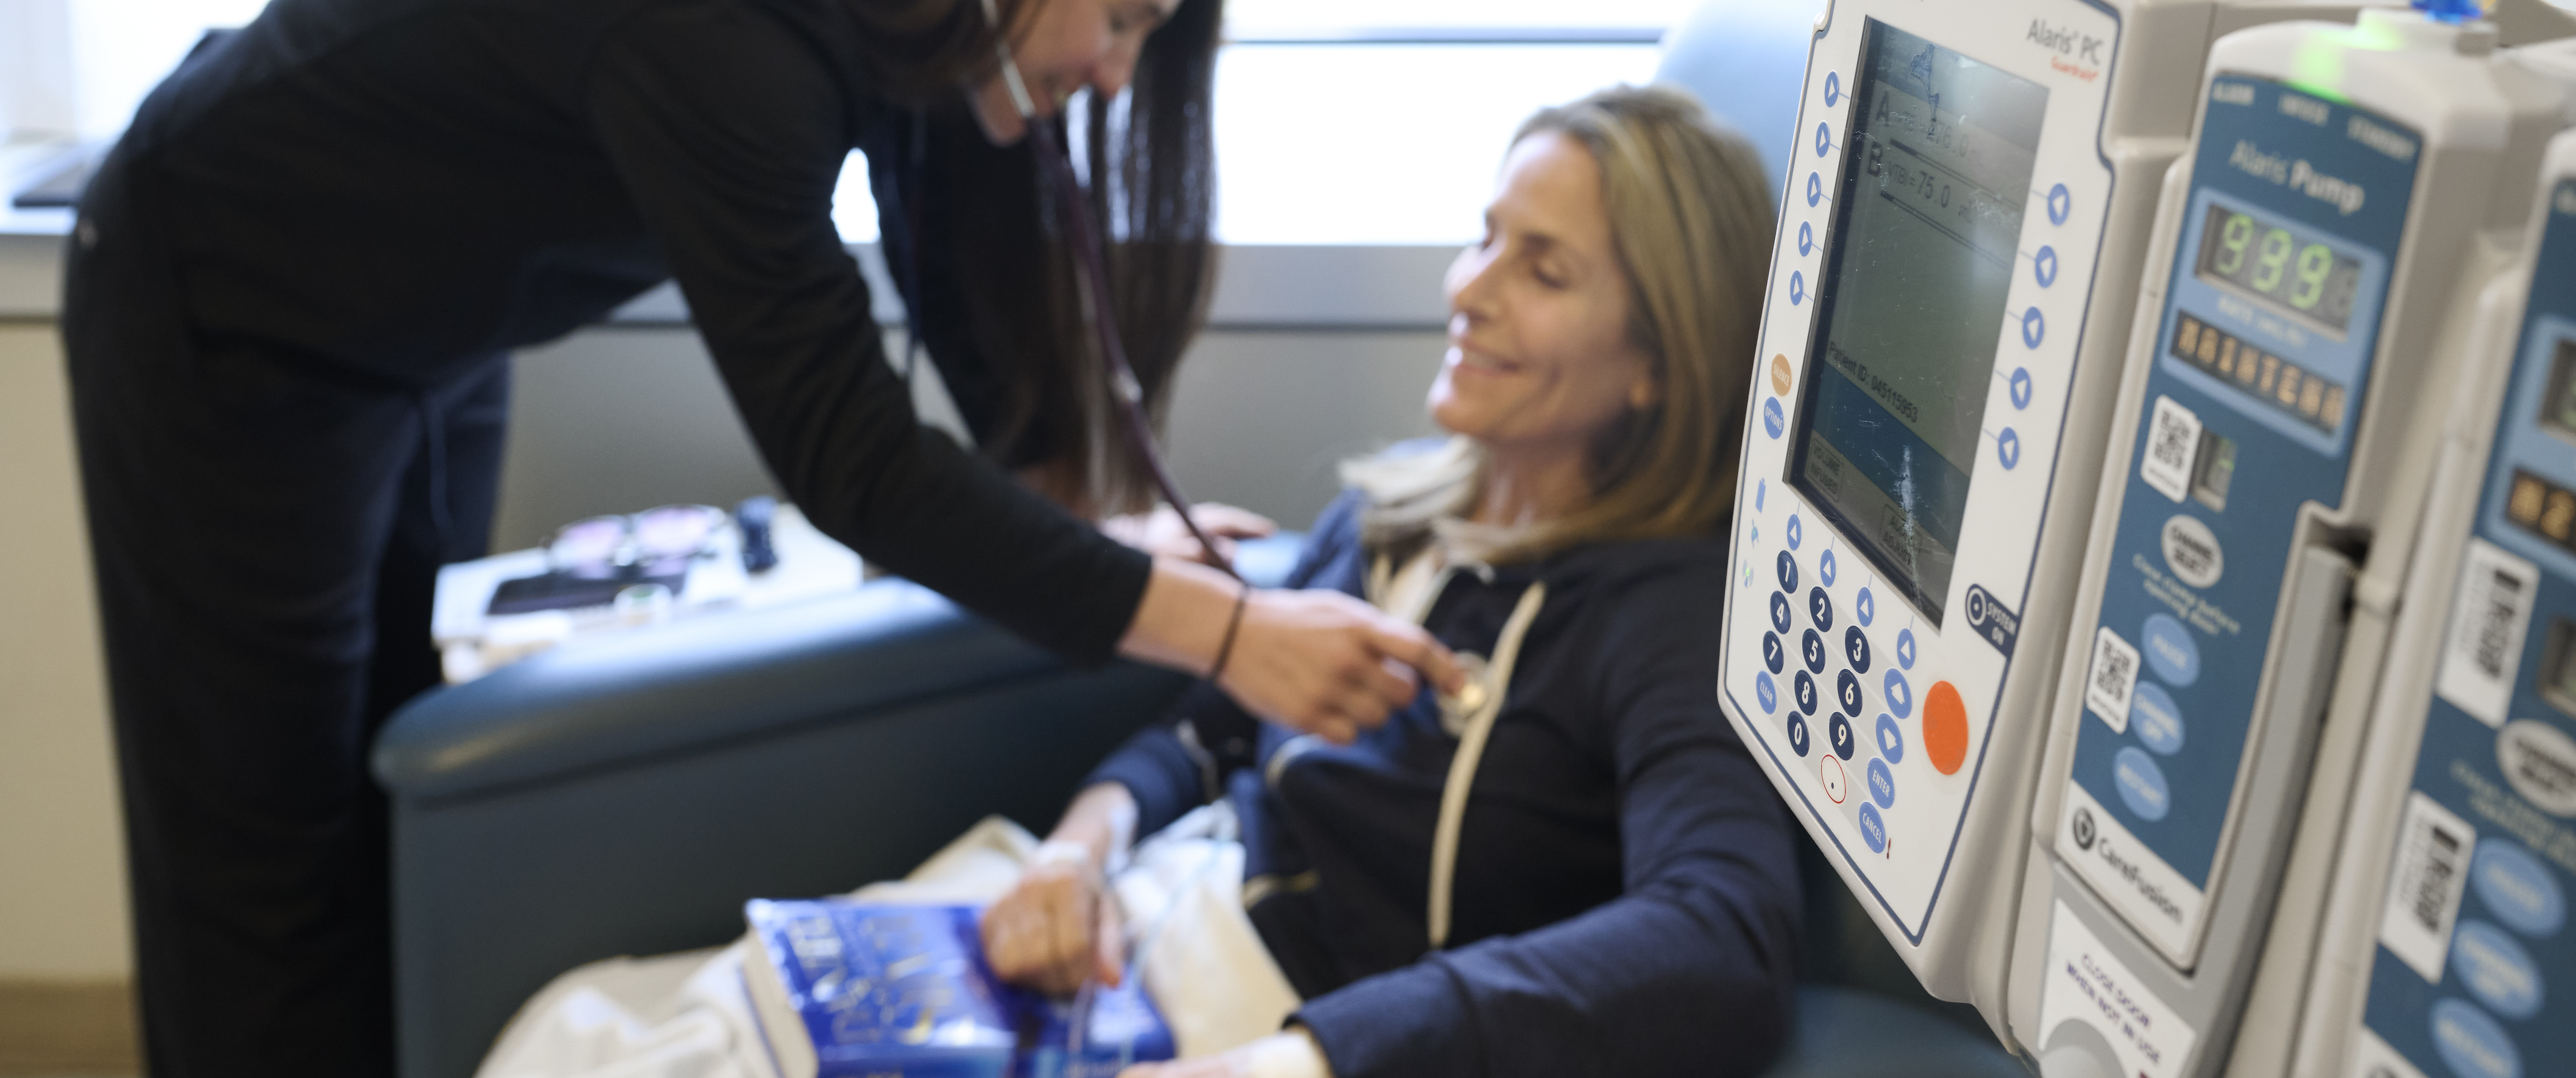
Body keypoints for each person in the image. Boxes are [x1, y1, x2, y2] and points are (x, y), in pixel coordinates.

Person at [58, 0, 1459, 1073]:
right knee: (260, 872)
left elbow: (944, 255)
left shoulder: (908, 29)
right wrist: (1224, 630)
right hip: (225, 297)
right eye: (1123, 18)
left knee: (388, 812)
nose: (1112, 72)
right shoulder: (720, 38)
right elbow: (852, 458)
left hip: (428, 321)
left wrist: (1104, 535)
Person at [980, 85, 1800, 1078]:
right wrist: (1076, 853)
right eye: (1484, 238)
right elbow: (1211, 727)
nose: (1470, 290)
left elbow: (1727, 932)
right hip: (1126, 923)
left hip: (1279, 1028)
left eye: (1542, 271)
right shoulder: (1389, 514)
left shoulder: (1666, 614)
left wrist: (1308, 1063)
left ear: (1658, 364)